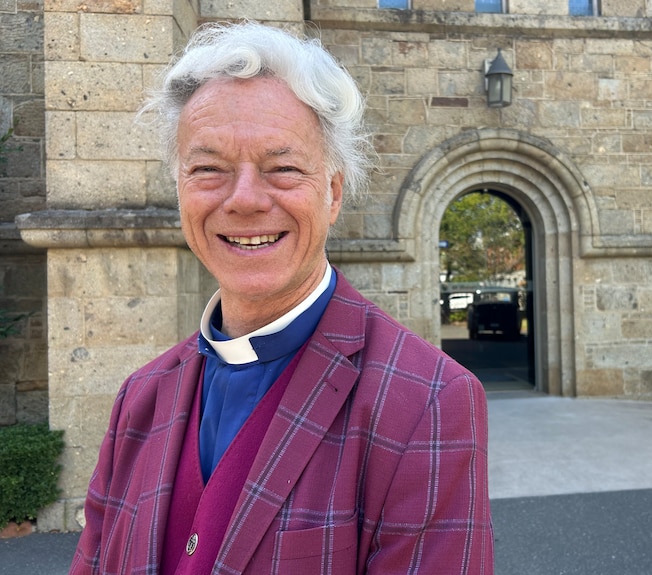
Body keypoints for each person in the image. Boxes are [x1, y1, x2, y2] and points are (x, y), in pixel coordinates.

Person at [69, 20, 493, 574]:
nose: (244, 199)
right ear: (180, 190)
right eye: (208, 169)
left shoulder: (427, 402)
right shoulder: (139, 398)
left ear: (332, 194)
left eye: (283, 168)